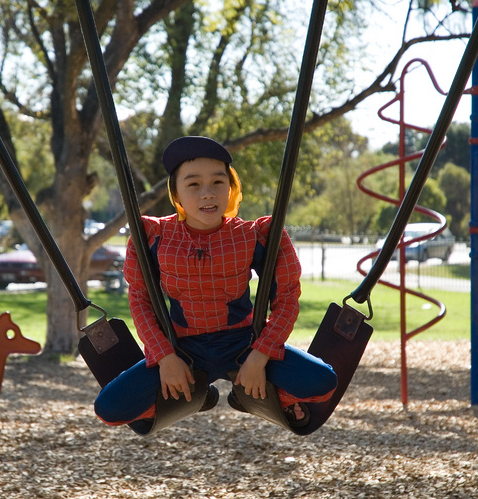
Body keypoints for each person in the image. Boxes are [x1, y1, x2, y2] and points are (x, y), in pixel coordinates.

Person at [94, 136, 337, 429]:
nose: (207, 194)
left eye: (218, 183)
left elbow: (286, 296)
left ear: (231, 188)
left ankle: (246, 394)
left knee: (323, 382)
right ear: (177, 194)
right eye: (193, 184)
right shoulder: (154, 236)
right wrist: (165, 357)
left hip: (243, 344)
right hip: (183, 349)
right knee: (109, 409)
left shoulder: (254, 235)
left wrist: (260, 355)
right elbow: (141, 301)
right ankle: (202, 396)